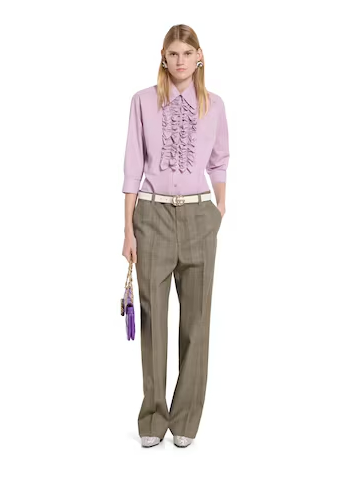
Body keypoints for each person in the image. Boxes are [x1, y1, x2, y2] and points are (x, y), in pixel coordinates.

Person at [121, 24, 230, 448]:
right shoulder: (142, 101)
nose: (180, 60)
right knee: (153, 320)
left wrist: (219, 207)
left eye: (188, 53)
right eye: (173, 53)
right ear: (163, 58)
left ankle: (186, 417)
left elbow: (219, 160)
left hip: (200, 217)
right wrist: (127, 229)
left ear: (199, 57)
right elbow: (133, 167)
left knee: (197, 323)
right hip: (152, 216)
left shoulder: (214, 105)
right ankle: (153, 418)